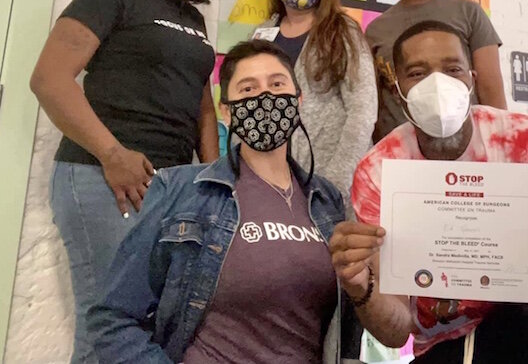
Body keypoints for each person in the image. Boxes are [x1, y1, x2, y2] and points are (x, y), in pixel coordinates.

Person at [330, 21, 528, 363]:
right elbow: (395, 331)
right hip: (444, 343)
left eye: (452, 69)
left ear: (471, 80)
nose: (438, 85)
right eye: (418, 73)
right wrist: (362, 289)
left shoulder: (526, 140)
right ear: (397, 88)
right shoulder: (379, 170)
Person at [30, 0, 219, 363]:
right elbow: (50, 78)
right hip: (103, 177)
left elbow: (202, 103)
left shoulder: (193, 20)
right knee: (110, 324)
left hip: (169, 183)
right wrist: (112, 154)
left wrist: (216, 175)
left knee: (146, 324)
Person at [87, 40, 345, 363]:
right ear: (227, 110)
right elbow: (113, 317)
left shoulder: (326, 200)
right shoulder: (181, 190)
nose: (265, 97)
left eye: (277, 84)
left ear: (299, 99)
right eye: (248, 89)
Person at [254, 0, 377, 216]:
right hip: (273, 185)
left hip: (332, 184)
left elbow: (363, 109)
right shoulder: (262, 36)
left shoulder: (342, 31)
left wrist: (334, 182)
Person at [367, 0, 506, 142]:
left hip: (466, 144)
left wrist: (500, 142)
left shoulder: (468, 13)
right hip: (402, 151)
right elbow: (374, 103)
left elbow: (492, 93)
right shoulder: (375, 31)